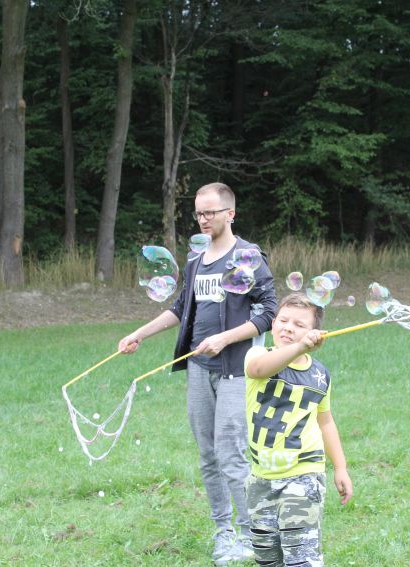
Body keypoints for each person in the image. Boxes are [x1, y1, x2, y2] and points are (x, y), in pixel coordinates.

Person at [118, 182, 278, 565]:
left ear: (230, 214)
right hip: (198, 370)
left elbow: (269, 311)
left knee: (231, 453)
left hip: (235, 371)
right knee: (208, 455)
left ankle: (253, 536)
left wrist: (225, 338)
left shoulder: (248, 257)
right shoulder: (196, 260)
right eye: (199, 213)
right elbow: (180, 308)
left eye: (211, 212)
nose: (204, 219)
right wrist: (139, 334)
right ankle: (224, 532)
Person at [244, 292, 353, 566]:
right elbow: (258, 369)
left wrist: (340, 467)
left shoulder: (319, 375)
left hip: (304, 473)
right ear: (272, 325)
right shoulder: (258, 355)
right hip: (260, 478)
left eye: (299, 325)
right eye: (283, 320)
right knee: (267, 557)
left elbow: (325, 421)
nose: (289, 328)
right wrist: (298, 348)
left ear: (315, 334)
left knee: (301, 557)